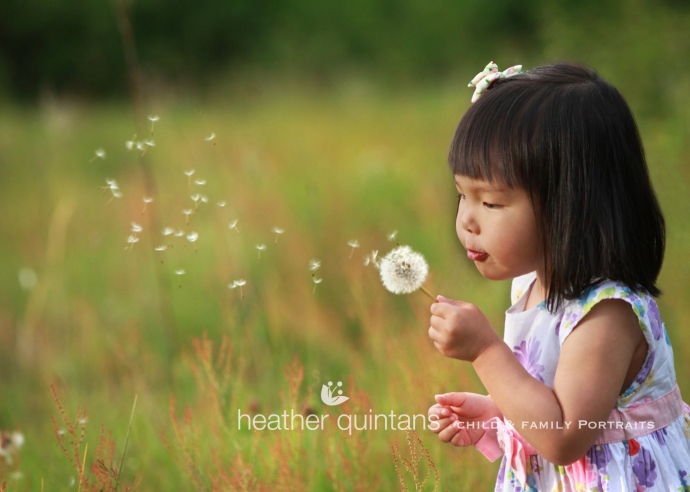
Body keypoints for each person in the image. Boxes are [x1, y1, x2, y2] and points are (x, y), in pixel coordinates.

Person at [426, 61, 690, 491]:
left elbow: (566, 434)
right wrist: (498, 411)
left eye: (491, 203)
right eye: (462, 195)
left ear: (572, 205)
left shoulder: (605, 315)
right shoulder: (532, 286)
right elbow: (554, 400)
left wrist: (486, 352)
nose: (467, 221)